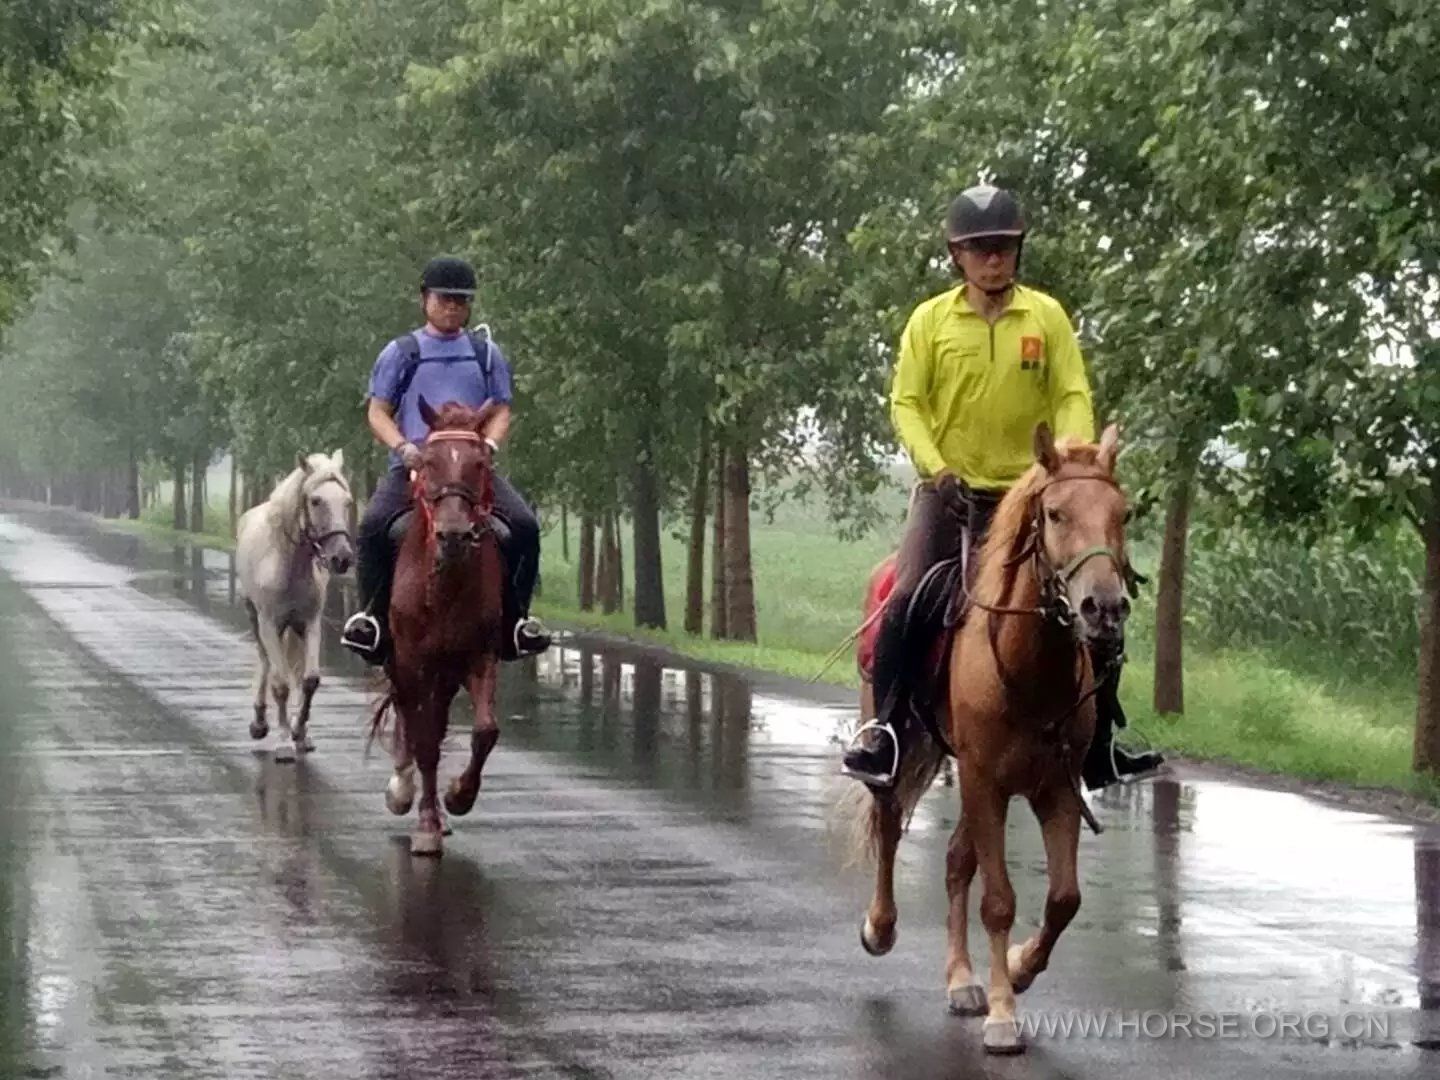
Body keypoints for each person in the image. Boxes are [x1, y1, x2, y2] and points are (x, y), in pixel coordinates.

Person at [841, 184, 1163, 790]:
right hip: (950, 494)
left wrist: (1069, 461)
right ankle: (884, 732)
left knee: (1101, 601)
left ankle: (1102, 744)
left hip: (1038, 497)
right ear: (956, 255)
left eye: (1006, 247)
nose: (995, 259)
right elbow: (906, 403)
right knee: (908, 596)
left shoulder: (1046, 317)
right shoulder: (930, 322)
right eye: (981, 248)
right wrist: (937, 467)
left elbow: (1070, 391)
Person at [340, 255, 551, 662]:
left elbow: (503, 407)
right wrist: (404, 448)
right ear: (424, 299)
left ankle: (517, 622)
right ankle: (371, 621)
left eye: (461, 300)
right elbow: (377, 410)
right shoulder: (401, 353)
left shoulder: (486, 354)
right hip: (415, 466)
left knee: (524, 526)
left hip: (471, 470)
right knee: (370, 528)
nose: (453, 306)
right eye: (444, 298)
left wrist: (488, 445)